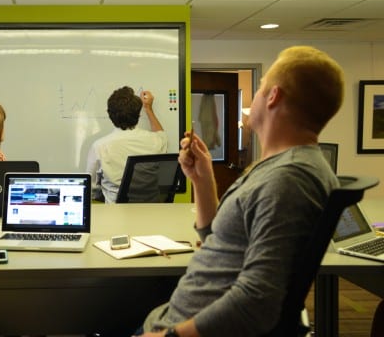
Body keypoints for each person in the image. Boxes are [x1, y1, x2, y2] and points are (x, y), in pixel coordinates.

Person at [136, 46, 345, 337]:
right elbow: (222, 243)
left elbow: (257, 302)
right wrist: (203, 180)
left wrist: (169, 336)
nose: (253, 99)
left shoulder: (289, 180)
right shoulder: (281, 168)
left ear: (274, 97)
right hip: (176, 316)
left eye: (259, 89)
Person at [86, 86, 167, 203]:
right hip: (151, 214)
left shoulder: (100, 147)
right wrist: (148, 108)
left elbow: (92, 189)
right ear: (138, 114)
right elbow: (161, 134)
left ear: (110, 115)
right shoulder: (156, 141)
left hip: (116, 216)